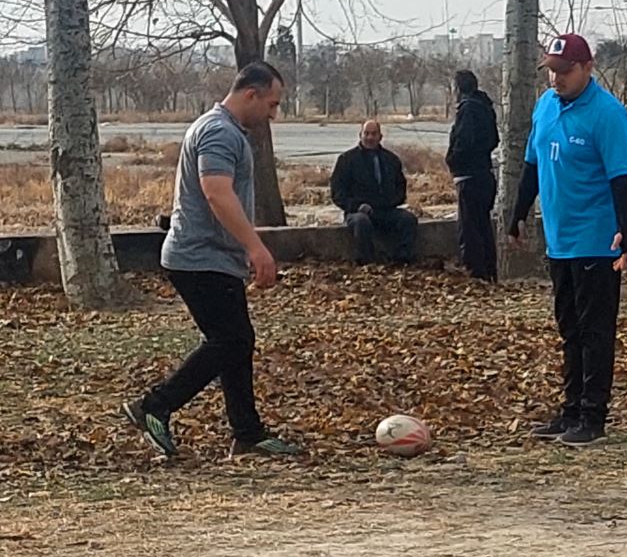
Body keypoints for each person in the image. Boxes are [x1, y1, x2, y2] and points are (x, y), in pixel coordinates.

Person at [122, 62, 300, 459]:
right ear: (251, 94)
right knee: (230, 340)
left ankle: (247, 432)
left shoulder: (221, 128)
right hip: (199, 257)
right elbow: (216, 192)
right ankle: (154, 405)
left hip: (211, 257)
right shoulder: (219, 131)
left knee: (234, 341)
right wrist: (255, 247)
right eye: (271, 104)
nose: (273, 114)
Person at [509, 33, 627, 448]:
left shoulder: (607, 114)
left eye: (565, 71)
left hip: (597, 239)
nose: (556, 78)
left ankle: (593, 416)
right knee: (569, 328)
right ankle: (570, 410)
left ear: (587, 68)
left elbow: (620, 178)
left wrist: (625, 232)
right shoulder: (545, 106)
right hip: (559, 239)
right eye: (552, 71)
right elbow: (532, 164)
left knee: (594, 330)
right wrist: (518, 212)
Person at [330, 120, 418, 266]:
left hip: (386, 210)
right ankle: (367, 262)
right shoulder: (346, 160)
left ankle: (402, 260)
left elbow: (401, 188)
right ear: (360, 135)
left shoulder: (391, 160)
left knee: (408, 219)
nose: (370, 137)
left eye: (374, 134)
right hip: (358, 211)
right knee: (361, 222)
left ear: (380, 137)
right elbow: (337, 193)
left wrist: (391, 202)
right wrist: (357, 206)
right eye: (366, 134)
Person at [447, 69, 499, 281]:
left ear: (458, 88)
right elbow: (494, 139)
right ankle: (489, 271)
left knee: (469, 229)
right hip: (485, 173)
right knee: (483, 225)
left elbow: (464, 141)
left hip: (469, 175)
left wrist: (453, 160)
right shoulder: (485, 107)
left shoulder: (467, 110)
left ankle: (475, 273)